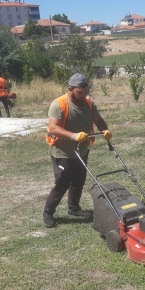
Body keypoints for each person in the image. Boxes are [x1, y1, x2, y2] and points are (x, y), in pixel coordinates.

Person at [43, 73, 112, 228]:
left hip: (81, 150)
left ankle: (74, 208)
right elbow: (53, 128)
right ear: (70, 89)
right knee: (62, 183)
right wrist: (73, 136)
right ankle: (48, 211)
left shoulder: (88, 103)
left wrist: (105, 131)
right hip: (63, 152)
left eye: (85, 91)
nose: (83, 95)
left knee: (79, 181)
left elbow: (98, 119)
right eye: (79, 92)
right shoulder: (59, 104)